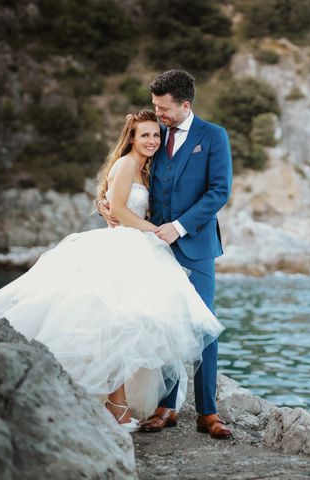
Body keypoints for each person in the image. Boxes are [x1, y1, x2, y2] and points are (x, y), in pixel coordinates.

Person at [0, 110, 225, 433]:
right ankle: (116, 406)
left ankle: (130, 404)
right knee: (116, 325)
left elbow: (115, 199)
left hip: (145, 248)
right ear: (131, 137)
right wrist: (152, 229)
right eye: (145, 135)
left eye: (155, 134)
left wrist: (111, 206)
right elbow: (117, 208)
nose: (153, 140)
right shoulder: (129, 162)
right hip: (130, 248)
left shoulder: (147, 164)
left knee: (137, 325)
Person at [99, 69, 233, 438]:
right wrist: (105, 203)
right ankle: (165, 407)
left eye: (163, 108)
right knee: (160, 324)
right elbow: (128, 175)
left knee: (203, 325)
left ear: (184, 104)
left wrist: (181, 226)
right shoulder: (153, 137)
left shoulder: (213, 136)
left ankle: (208, 412)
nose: (158, 113)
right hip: (152, 247)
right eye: (155, 107)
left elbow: (219, 191)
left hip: (195, 244)